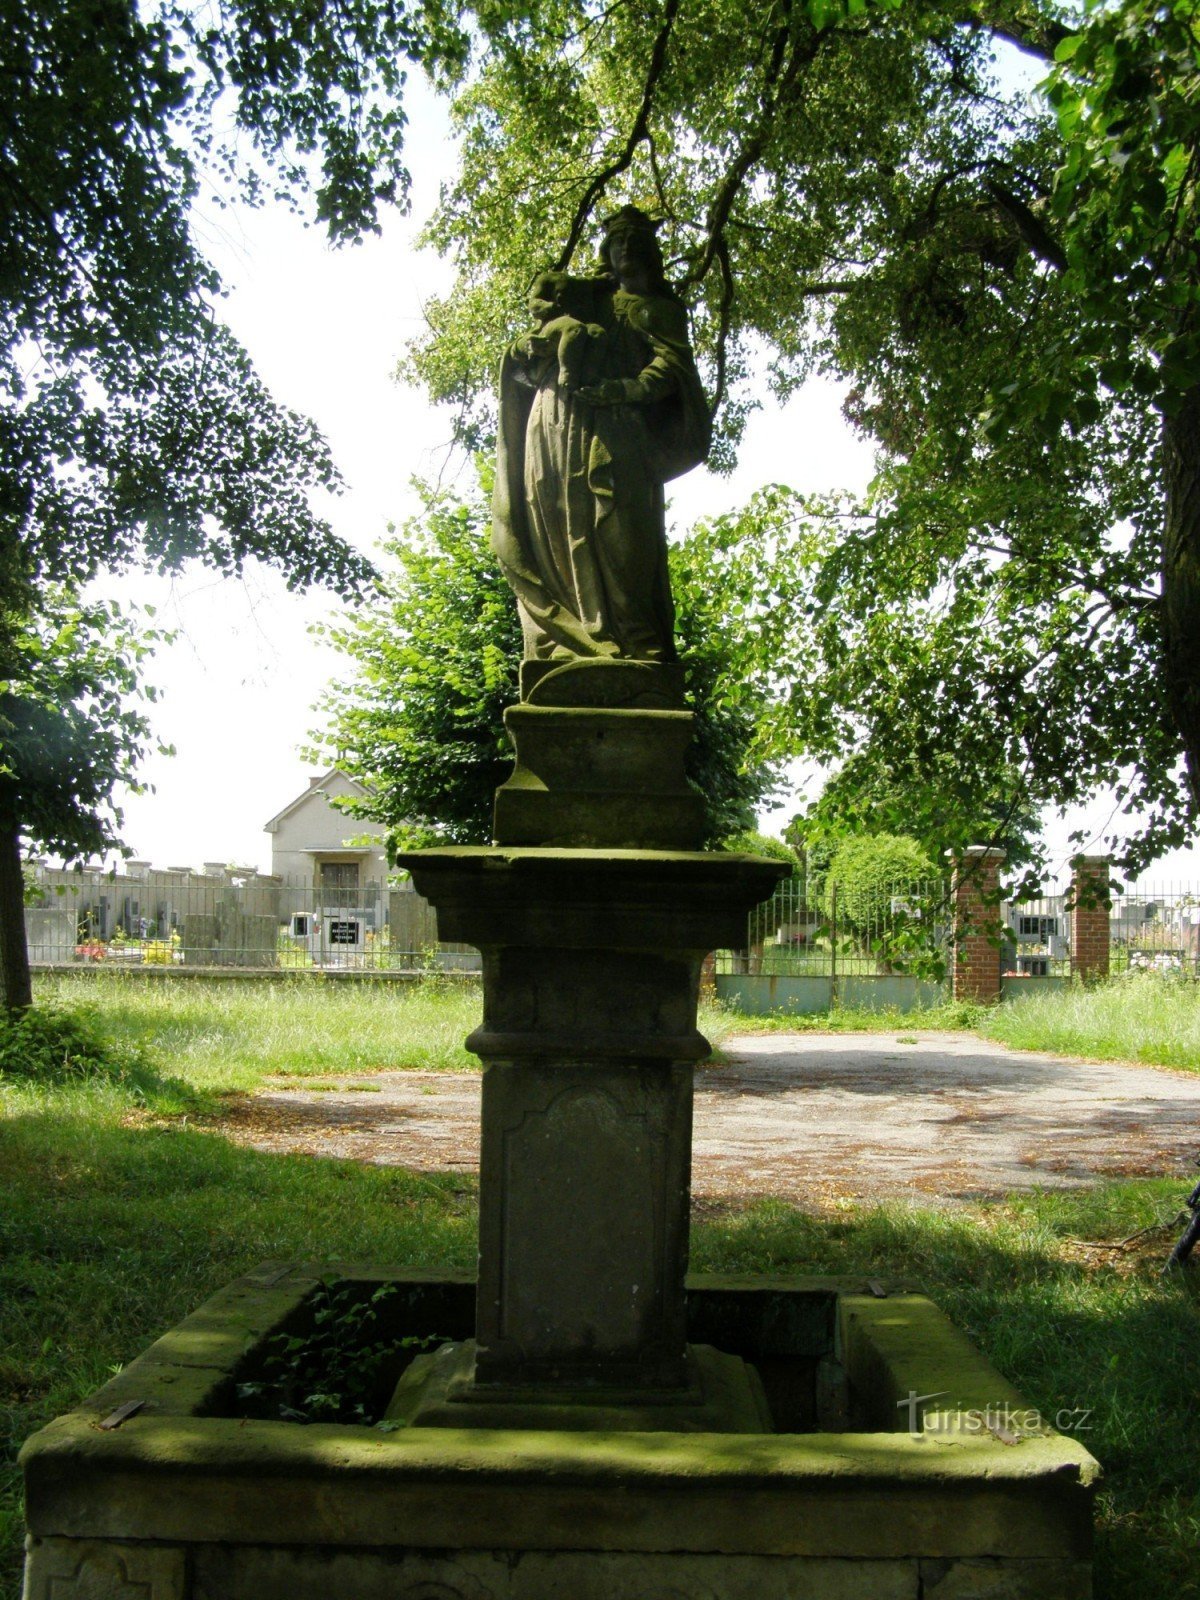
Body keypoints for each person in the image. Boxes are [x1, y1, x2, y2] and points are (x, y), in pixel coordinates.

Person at [492, 206, 711, 664]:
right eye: (618, 240)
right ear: (606, 251)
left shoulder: (658, 310)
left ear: (652, 252)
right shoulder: (586, 298)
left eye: (636, 240)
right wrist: (523, 349)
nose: (626, 248)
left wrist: (624, 389)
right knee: (554, 525)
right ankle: (571, 641)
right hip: (555, 424)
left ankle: (637, 642)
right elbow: (531, 347)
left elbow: (672, 367)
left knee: (621, 532)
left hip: (617, 432)